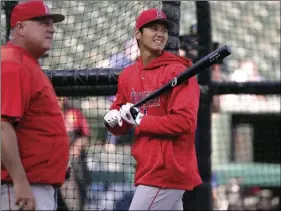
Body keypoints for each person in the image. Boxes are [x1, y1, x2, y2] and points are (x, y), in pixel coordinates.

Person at [103, 8, 202, 210]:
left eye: (164, 30)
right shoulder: (128, 75)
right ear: (138, 34)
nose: (160, 33)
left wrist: (141, 119)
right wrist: (112, 121)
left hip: (168, 169)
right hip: (146, 166)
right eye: (153, 28)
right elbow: (120, 121)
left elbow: (185, 122)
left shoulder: (178, 71)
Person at [1, 1, 69, 210]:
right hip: (20, 187)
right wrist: (20, 182)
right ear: (20, 28)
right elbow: (3, 127)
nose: (51, 28)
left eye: (51, 23)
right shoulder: (13, 64)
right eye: (42, 22)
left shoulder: (26, 63)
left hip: (34, 184)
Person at [57, 97, 91, 210]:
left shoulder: (74, 113)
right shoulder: (50, 114)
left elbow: (86, 136)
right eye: (58, 97)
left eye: (62, 97)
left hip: (76, 161)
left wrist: (77, 145)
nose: (61, 100)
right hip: (58, 162)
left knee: (79, 196)